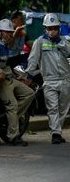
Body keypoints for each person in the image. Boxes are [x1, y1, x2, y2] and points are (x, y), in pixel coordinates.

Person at [0, 18, 35, 145]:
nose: (10, 35)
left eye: (10, 33)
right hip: (2, 83)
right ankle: (13, 136)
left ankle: (10, 118)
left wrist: (18, 76)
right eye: (7, 32)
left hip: (11, 79)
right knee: (12, 105)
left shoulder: (5, 46)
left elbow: (6, 65)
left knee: (30, 93)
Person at [25, 13, 70, 144]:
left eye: (55, 28)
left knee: (64, 108)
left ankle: (58, 130)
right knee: (52, 108)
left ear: (58, 27)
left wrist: (59, 42)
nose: (52, 31)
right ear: (45, 28)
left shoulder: (63, 40)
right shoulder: (39, 42)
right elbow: (33, 60)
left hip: (65, 79)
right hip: (49, 80)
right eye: (50, 28)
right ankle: (55, 133)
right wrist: (29, 75)